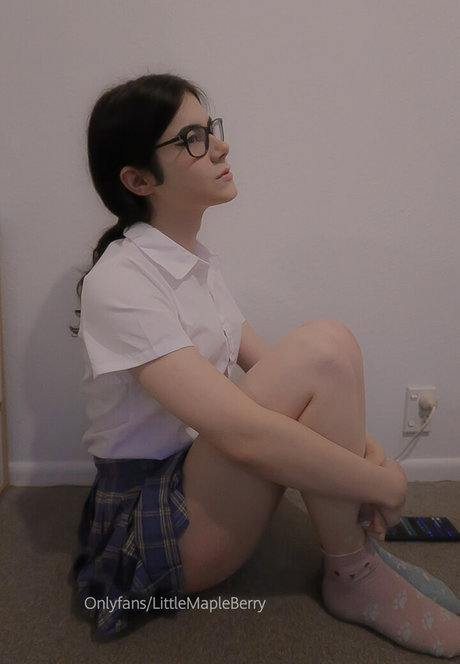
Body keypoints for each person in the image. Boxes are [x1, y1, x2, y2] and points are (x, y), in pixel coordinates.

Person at [70, 73, 460, 657]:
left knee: (330, 348)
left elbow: (293, 377)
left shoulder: (197, 267)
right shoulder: (120, 282)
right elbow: (242, 433)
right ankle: (354, 575)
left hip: (197, 481)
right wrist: (382, 483)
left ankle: (357, 561)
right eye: (193, 139)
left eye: (210, 129)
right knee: (323, 346)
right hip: (147, 527)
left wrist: (367, 453)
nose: (219, 146)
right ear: (139, 179)